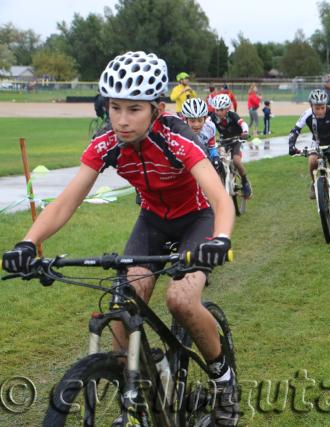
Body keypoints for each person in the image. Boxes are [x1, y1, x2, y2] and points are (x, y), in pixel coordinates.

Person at [1, 51, 239, 425]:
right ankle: (134, 391)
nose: (122, 121)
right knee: (125, 299)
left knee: (180, 299)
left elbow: (220, 199)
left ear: (156, 109)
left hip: (197, 219)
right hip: (153, 221)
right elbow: (65, 202)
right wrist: (27, 244)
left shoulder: (177, 138)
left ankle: (224, 380)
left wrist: (220, 239)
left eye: (134, 109)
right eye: (115, 108)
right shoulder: (105, 143)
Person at [288, 89, 330, 226]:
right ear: (312, 106)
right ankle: (314, 183)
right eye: (317, 108)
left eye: (322, 107)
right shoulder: (307, 114)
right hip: (317, 143)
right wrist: (291, 146)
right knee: (312, 160)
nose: (320, 111)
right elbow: (295, 131)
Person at [209, 93, 253, 198]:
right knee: (218, 159)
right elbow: (205, 124)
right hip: (224, 141)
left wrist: (245, 132)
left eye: (221, 110)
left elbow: (243, 124)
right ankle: (222, 180)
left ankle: (245, 182)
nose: (218, 112)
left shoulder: (232, 115)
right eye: (216, 109)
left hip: (237, 139)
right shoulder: (212, 117)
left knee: (236, 161)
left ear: (227, 108)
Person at [182, 97, 225, 180]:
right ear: (186, 119)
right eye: (192, 121)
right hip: (188, 154)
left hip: (204, 152)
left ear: (205, 119)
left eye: (200, 120)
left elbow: (211, 147)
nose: (196, 125)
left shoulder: (210, 127)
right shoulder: (180, 130)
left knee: (218, 166)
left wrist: (215, 157)